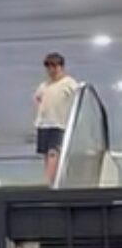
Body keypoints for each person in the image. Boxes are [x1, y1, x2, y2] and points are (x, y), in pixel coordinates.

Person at [33, 52, 79, 184]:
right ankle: (49, 179)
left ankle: (50, 181)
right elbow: (37, 97)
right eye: (48, 67)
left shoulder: (69, 83)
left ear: (61, 67)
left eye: (54, 67)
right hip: (44, 123)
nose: (51, 70)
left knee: (54, 152)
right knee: (46, 154)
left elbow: (77, 97)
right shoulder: (45, 85)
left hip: (59, 123)